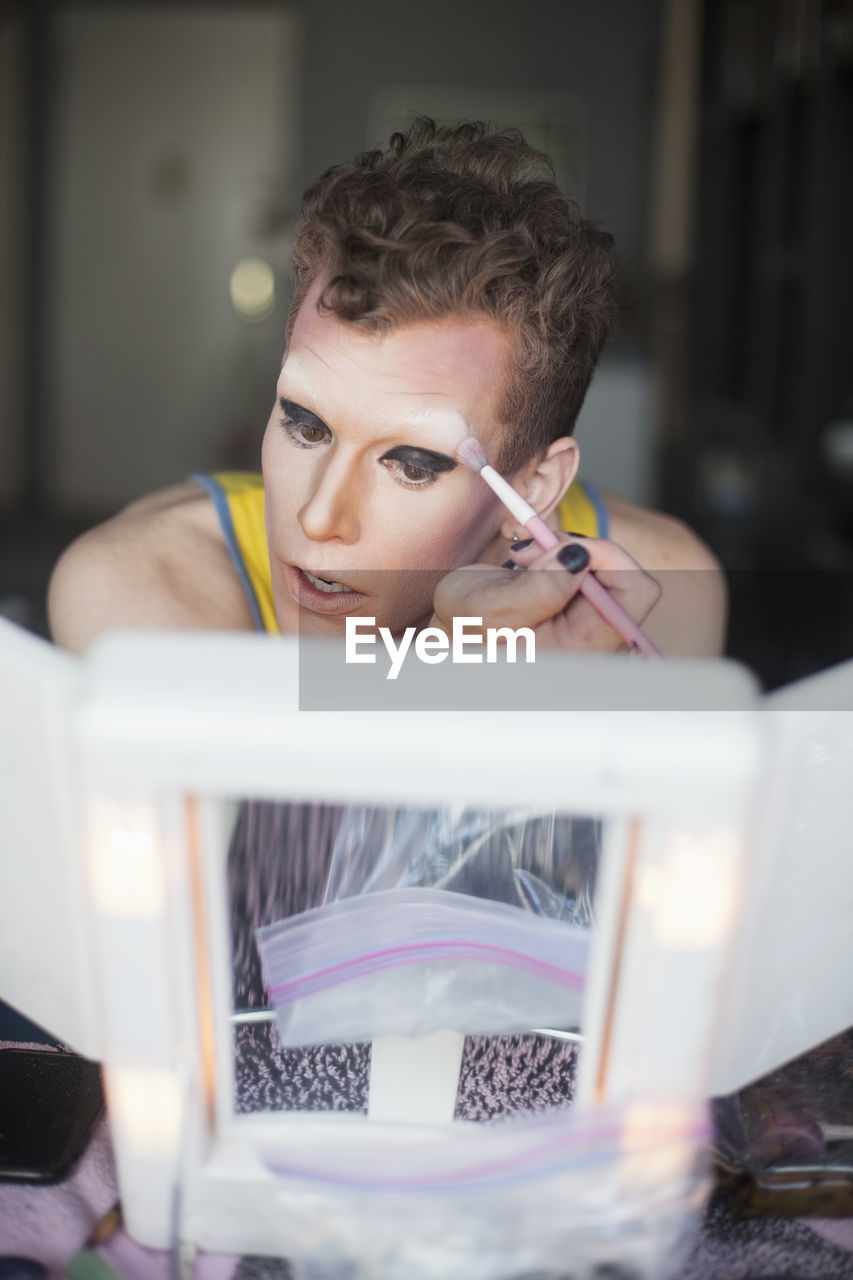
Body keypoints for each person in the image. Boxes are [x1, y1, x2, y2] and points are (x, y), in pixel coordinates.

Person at [47, 118, 725, 659]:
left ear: (537, 487)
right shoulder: (137, 589)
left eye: (411, 463)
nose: (319, 517)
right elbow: (253, 832)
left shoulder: (665, 587)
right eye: (305, 425)